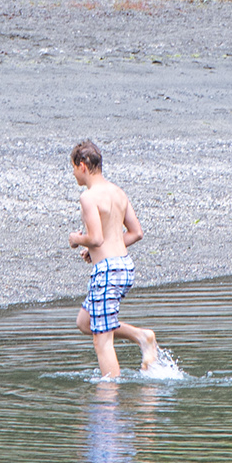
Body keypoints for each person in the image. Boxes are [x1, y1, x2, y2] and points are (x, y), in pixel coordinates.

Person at [67, 140, 158, 379]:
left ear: (82, 166)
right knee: (86, 322)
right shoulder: (118, 192)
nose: (74, 174)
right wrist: (96, 248)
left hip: (107, 271)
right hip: (124, 266)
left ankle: (109, 403)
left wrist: (77, 239)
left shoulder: (88, 197)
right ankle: (142, 336)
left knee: (102, 341)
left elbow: (95, 238)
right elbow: (135, 233)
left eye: (74, 168)